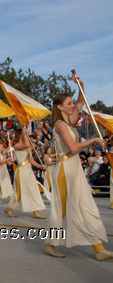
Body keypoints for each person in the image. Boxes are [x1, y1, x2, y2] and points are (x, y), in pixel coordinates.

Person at [43, 90, 113, 260]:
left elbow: (81, 102)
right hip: (65, 169)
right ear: (60, 107)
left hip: (74, 168)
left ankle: (98, 248)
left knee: (85, 204)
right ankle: (50, 244)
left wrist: (80, 85)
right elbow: (73, 148)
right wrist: (94, 140)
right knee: (63, 209)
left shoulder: (70, 119)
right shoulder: (60, 124)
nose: (73, 105)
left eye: (72, 102)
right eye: (69, 103)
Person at [5, 127, 46, 219]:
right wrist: (24, 133)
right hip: (22, 171)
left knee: (33, 189)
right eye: (24, 134)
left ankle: (36, 211)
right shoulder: (16, 146)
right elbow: (27, 145)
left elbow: (31, 160)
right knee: (19, 192)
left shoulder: (26, 146)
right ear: (20, 135)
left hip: (28, 171)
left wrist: (39, 166)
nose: (26, 135)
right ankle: (9, 208)